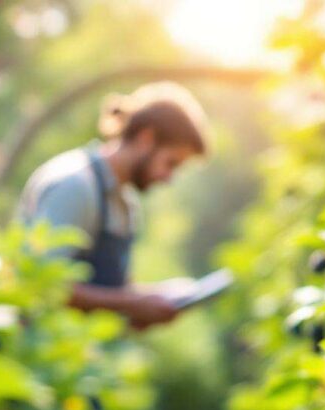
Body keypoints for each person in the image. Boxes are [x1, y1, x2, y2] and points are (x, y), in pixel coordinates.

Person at [18, 83, 208, 330]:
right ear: (146, 138)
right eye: (170, 163)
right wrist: (133, 304)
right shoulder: (75, 185)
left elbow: (113, 293)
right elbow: (43, 286)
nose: (168, 178)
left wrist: (152, 301)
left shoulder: (126, 205)